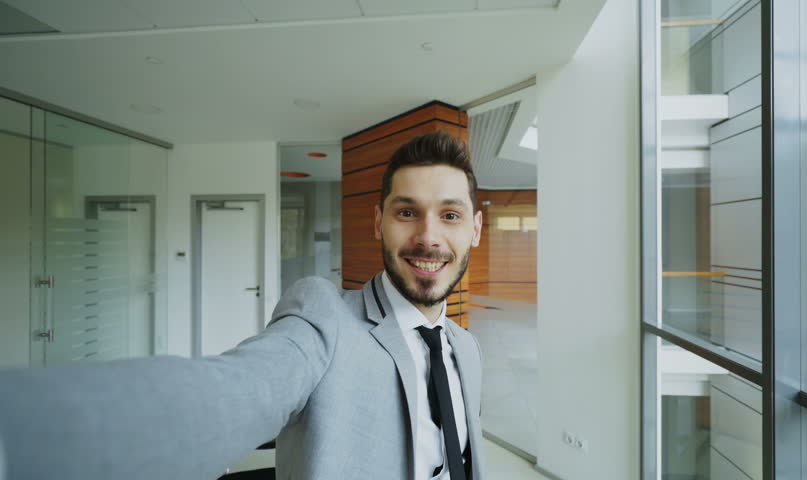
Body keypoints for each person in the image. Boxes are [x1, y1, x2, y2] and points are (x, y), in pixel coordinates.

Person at [0, 131, 485, 480]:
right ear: (378, 222)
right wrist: (23, 433)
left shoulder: (466, 350)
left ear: (475, 230)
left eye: (450, 215)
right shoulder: (326, 319)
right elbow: (233, 391)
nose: (428, 237)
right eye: (406, 212)